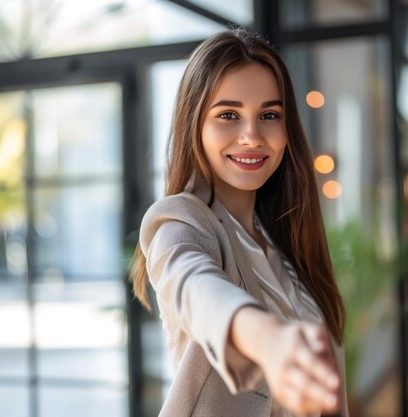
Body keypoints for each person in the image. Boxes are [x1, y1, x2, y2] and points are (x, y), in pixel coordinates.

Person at [131, 29, 348, 417]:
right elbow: (194, 285)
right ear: (194, 123)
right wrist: (267, 338)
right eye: (228, 115)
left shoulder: (284, 238)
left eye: (269, 115)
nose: (251, 136)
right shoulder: (182, 222)